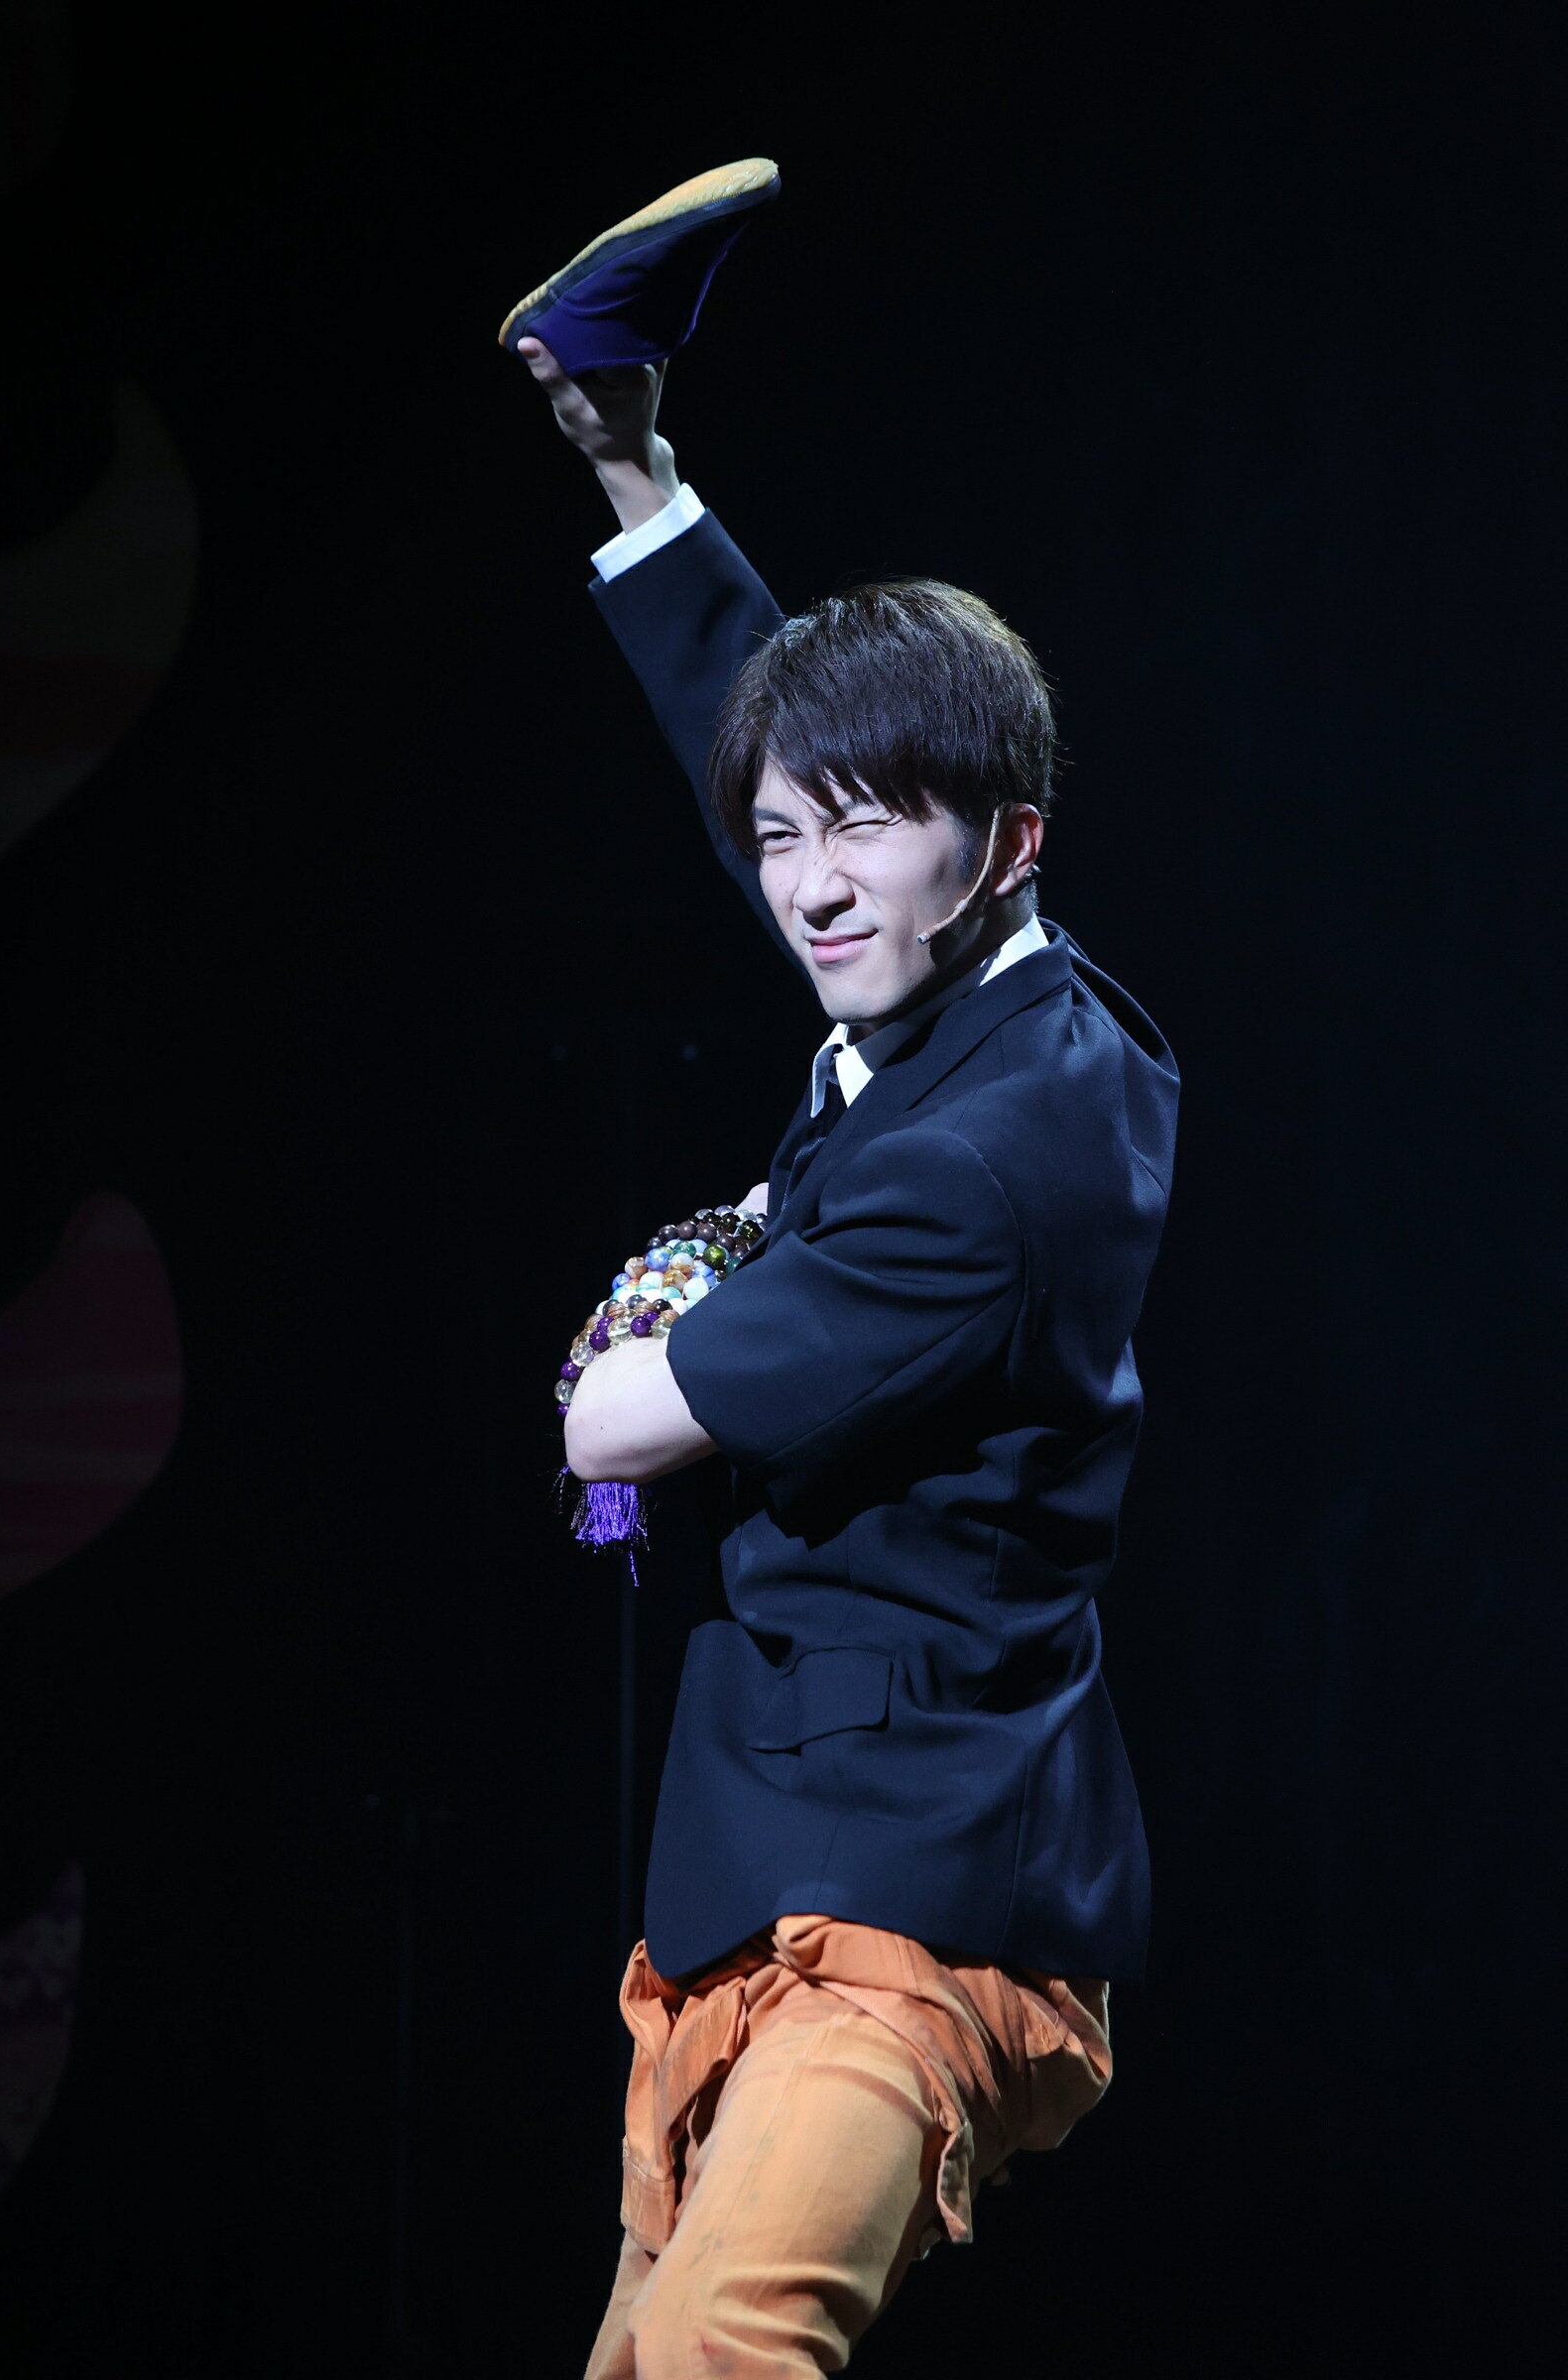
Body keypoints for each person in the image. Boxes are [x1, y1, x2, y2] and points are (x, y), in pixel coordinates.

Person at [516, 233, 1178, 2377]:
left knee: (724, 2352)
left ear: (1007, 840)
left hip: (913, 1890)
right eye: (778, 832)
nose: (806, 882)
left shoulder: (976, 1171)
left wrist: (657, 1302)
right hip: (783, 1850)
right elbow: (794, 785)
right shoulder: (971, 991)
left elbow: (611, 1430)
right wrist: (634, 471)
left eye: (863, 832)